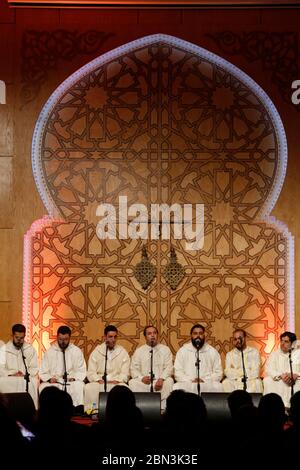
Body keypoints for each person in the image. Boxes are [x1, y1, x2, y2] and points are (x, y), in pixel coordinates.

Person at [39, 325, 86, 410]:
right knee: (43, 387)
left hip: (70, 381)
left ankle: (76, 410)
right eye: (60, 339)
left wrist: (74, 378)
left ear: (69, 338)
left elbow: (81, 370)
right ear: (57, 337)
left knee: (79, 385)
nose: (63, 342)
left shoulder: (76, 351)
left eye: (65, 339)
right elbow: (43, 371)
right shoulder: (50, 352)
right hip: (55, 381)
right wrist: (49, 379)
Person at [85, 325, 130, 411]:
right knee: (89, 388)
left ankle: (120, 412)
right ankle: (93, 411)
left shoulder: (122, 352)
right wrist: (98, 379)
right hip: (100, 381)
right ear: (105, 337)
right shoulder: (97, 351)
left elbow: (125, 372)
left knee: (125, 388)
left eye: (115, 337)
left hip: (116, 381)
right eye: (110, 337)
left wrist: (118, 380)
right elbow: (91, 372)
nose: (113, 339)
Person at [129, 325, 174, 410]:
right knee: (132, 382)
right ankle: (141, 408)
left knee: (169, 381)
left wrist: (161, 379)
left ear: (157, 335)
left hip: (160, 381)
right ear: (145, 337)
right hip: (144, 382)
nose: (152, 335)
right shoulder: (139, 351)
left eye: (154, 333)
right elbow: (133, 368)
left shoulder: (165, 349)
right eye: (149, 333)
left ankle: (163, 408)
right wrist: (142, 378)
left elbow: (169, 367)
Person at [173, 323, 223, 394]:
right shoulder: (183, 351)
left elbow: (219, 372)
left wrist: (204, 380)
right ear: (191, 336)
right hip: (188, 383)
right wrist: (191, 380)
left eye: (200, 333)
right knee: (176, 387)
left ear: (204, 335)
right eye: (195, 333)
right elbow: (177, 372)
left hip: (207, 383)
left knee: (219, 387)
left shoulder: (212, 351)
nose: (198, 336)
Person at [0, 324, 39, 408]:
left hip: (24, 377)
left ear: (24, 336)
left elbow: (34, 367)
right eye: (17, 337)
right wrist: (12, 373)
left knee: (33, 382)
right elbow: (1, 368)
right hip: (9, 378)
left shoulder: (30, 349)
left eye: (21, 338)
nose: (19, 340)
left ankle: (30, 409)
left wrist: (24, 374)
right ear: (12, 335)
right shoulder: (4, 349)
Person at [263, 331, 300, 408]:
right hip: (280, 379)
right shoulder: (274, 354)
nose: (282, 344)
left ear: (293, 343)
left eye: (286, 341)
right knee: (267, 380)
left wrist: (296, 375)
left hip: (296, 379)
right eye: (281, 341)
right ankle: (276, 407)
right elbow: (269, 369)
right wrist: (281, 375)